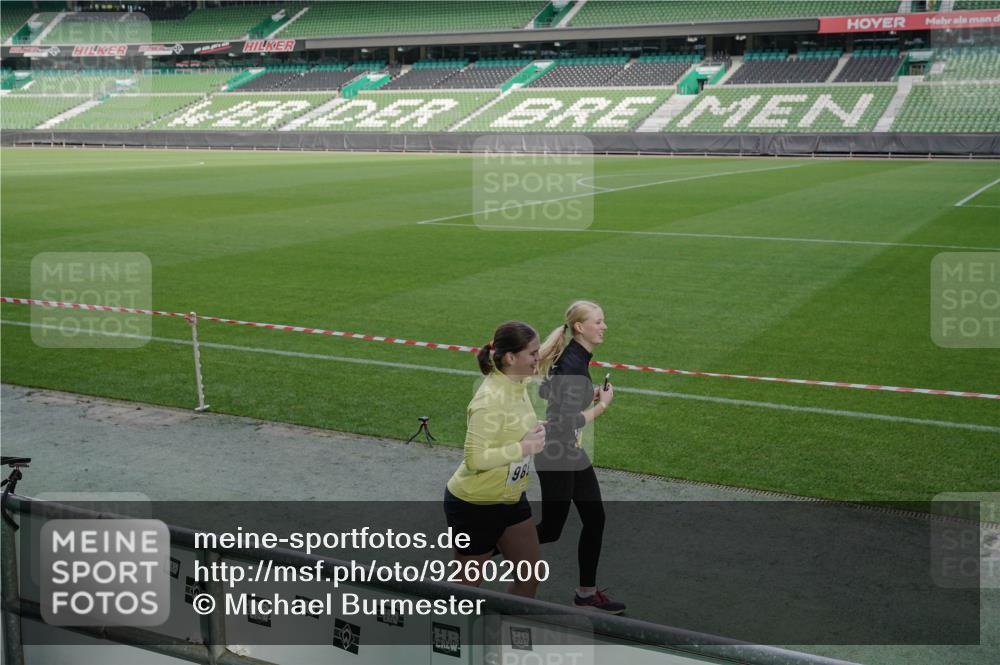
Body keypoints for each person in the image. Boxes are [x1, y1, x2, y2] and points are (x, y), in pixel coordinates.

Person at [444, 321, 546, 598]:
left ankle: (507, 626)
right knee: (465, 589)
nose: (538, 358)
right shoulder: (489, 400)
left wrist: (541, 428)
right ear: (511, 358)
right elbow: (475, 459)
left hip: (510, 498)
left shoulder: (517, 382)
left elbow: (512, 424)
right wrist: (523, 447)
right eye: (533, 353)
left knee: (530, 577)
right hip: (475, 505)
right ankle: (436, 625)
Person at [535, 300, 624, 614]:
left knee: (595, 518)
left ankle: (586, 594)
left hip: (568, 450)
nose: (604, 326)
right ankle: (478, 553)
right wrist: (602, 405)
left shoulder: (576, 356)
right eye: (598, 322)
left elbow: (555, 398)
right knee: (550, 530)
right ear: (579, 327)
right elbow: (565, 421)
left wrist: (588, 394)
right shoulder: (573, 363)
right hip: (556, 453)